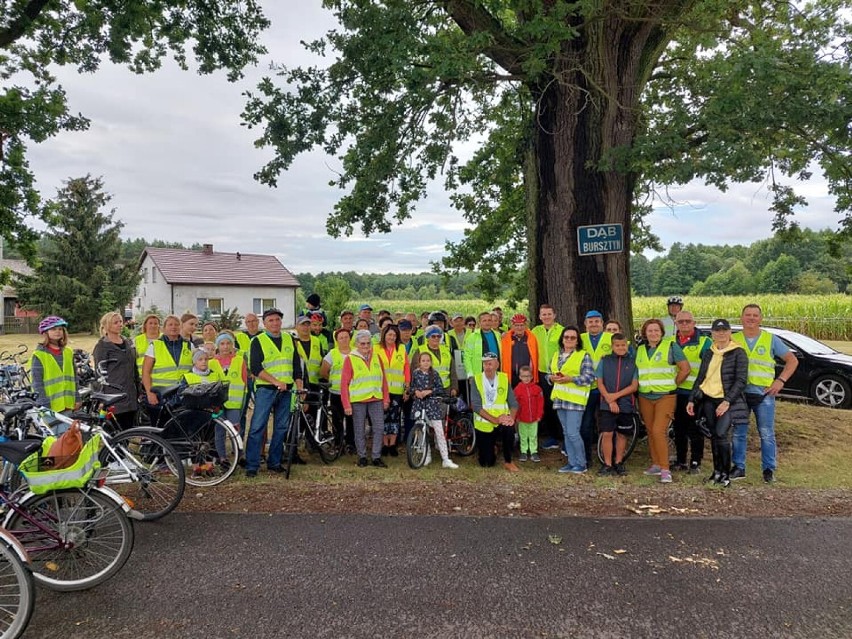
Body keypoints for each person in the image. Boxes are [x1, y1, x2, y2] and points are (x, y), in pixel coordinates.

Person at [730, 304, 798, 483]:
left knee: (766, 433)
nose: (751, 318)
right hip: (740, 394)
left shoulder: (770, 339)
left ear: (760, 319)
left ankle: (768, 470)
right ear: (741, 318)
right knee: (739, 432)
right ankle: (738, 467)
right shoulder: (733, 339)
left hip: (764, 393)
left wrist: (780, 381)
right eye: (747, 315)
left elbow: (792, 360)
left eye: (755, 315)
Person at [687, 319, 749, 487]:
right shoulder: (709, 352)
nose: (721, 334)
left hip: (727, 401)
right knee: (714, 436)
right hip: (708, 399)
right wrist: (692, 399)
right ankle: (717, 471)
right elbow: (701, 377)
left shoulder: (738, 352)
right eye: (717, 331)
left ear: (730, 332)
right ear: (713, 334)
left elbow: (741, 380)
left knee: (722, 434)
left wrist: (727, 401)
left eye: (724, 330)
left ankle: (726, 474)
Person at [244, 308, 305, 477]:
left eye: (277, 319)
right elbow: (256, 368)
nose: (275, 323)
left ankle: (275, 462)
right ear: (264, 323)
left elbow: (295, 365)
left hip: (287, 391)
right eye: (270, 320)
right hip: (266, 389)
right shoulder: (258, 341)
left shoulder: (289, 339)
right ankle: (252, 465)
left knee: (281, 427)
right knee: (257, 426)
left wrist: (299, 384)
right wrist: (276, 382)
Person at [635, 319, 690, 484]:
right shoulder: (640, 349)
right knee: (651, 431)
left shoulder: (671, 346)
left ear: (661, 332)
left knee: (659, 430)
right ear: (645, 333)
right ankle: (656, 463)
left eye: (656, 330)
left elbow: (685, 369)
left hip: (665, 396)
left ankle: (666, 469)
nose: (653, 333)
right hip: (645, 395)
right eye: (650, 331)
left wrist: (674, 384)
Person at [549, 326, 596, 474]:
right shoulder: (556, 355)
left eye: (572, 337)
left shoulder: (584, 355)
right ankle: (571, 462)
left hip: (575, 400)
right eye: (566, 337)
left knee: (573, 433)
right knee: (566, 432)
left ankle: (581, 463)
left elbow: (589, 377)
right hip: (560, 399)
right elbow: (549, 374)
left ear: (577, 341)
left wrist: (571, 379)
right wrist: (550, 378)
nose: (569, 340)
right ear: (562, 339)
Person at [341, 330, 390, 468]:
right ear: (357, 344)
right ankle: (362, 456)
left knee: (379, 428)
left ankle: (376, 457)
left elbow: (383, 380)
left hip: (376, 398)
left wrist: (386, 399)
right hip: (358, 400)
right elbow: (344, 384)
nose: (366, 346)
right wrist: (346, 405)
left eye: (368, 343)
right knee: (359, 430)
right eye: (362, 343)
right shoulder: (350, 359)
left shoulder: (377, 357)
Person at [672, 310, 711, 473]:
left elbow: (708, 369)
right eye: (681, 322)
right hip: (675, 391)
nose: (685, 324)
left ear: (694, 323)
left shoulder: (704, 342)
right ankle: (681, 460)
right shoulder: (670, 342)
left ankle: (696, 461)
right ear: (676, 324)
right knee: (678, 428)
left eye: (688, 321)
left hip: (695, 392)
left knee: (694, 428)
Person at [595, 333, 638, 476]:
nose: (621, 347)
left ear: (627, 345)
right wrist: (609, 399)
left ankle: (619, 462)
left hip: (626, 403)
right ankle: (607, 464)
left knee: (622, 434)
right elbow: (599, 382)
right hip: (606, 403)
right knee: (607, 433)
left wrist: (616, 396)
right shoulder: (605, 361)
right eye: (617, 345)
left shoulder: (633, 362)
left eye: (623, 345)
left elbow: (634, 386)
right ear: (612, 346)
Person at [469, 352, 519, 471]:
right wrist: (495, 419)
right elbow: (475, 406)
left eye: (490, 364)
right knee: (486, 463)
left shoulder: (503, 378)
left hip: (502, 421)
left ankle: (508, 461)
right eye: (485, 364)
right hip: (485, 424)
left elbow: (513, 403)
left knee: (509, 428)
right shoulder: (476, 380)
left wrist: (511, 418)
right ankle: (492, 448)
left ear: (497, 364)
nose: (487, 367)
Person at [141, 314, 194, 425]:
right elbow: (145, 372)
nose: (173, 327)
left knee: (181, 427)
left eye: (176, 325)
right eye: (170, 325)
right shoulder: (155, 345)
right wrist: (150, 393)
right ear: (164, 328)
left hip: (183, 393)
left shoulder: (189, 345)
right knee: (160, 427)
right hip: (162, 394)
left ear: (180, 327)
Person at [409, 351, 459, 469]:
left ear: (431, 362)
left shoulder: (434, 374)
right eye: (423, 361)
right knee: (421, 431)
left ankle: (445, 458)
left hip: (432, 405)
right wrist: (415, 392)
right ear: (419, 363)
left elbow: (440, 389)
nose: (426, 363)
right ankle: (426, 456)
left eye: (428, 361)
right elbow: (411, 387)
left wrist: (430, 391)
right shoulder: (416, 374)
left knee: (439, 431)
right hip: (419, 405)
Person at [93, 311, 138, 430]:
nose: (120, 324)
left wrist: (138, 389)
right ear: (107, 325)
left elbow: (134, 368)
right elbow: (99, 373)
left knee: (129, 430)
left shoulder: (128, 343)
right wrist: (101, 397)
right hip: (113, 395)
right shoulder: (102, 346)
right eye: (115, 322)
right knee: (115, 431)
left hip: (130, 394)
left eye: (121, 322)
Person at [579, 310, 613, 464]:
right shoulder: (579, 339)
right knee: (586, 424)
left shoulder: (611, 338)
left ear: (602, 323)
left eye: (596, 321)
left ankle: (608, 457)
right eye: (590, 321)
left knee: (607, 424)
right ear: (585, 324)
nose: (593, 324)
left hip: (606, 388)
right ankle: (587, 456)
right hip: (586, 389)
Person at [30, 315, 80, 415]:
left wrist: (77, 398)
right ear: (45, 333)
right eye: (53, 329)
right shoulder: (39, 355)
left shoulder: (68, 352)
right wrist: (43, 403)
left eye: (60, 329)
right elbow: (37, 383)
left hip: (68, 404)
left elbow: (74, 378)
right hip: (49, 406)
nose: (58, 331)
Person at [531, 304, 564, 452]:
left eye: (549, 314)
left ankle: (564, 437)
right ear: (539, 316)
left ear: (554, 315)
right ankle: (552, 437)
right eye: (543, 314)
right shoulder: (535, 331)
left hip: (558, 373)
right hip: (542, 373)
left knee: (560, 405)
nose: (546, 317)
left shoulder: (561, 330)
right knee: (547, 406)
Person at [319, 327, 356, 453]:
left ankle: (351, 444)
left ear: (350, 338)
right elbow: (323, 371)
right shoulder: (332, 354)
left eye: (346, 337)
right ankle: (338, 443)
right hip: (336, 392)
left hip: (353, 393)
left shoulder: (356, 353)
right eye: (341, 338)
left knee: (352, 420)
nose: (344, 339)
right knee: (337, 420)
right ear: (337, 340)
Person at [377, 323, 409, 456]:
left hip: (397, 389)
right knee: (383, 417)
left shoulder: (401, 348)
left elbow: (406, 368)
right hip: (381, 389)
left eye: (394, 335)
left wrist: (407, 387)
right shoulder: (376, 348)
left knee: (395, 417)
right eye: (389, 334)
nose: (392, 337)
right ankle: (385, 444)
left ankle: (393, 444)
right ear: (384, 335)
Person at [412, 325, 458, 396]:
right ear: (427, 337)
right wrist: (416, 390)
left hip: (445, 389)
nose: (436, 338)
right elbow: (414, 371)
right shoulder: (420, 350)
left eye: (438, 336)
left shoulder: (446, 350)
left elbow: (453, 371)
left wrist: (454, 387)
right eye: (433, 336)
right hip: (426, 390)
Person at [214, 332, 247, 429]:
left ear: (232, 345)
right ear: (218, 346)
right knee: (219, 429)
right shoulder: (211, 362)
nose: (225, 346)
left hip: (234, 403)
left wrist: (243, 400)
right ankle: (219, 445)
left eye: (228, 343)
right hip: (218, 404)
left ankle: (237, 444)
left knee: (235, 429)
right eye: (222, 344)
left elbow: (244, 382)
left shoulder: (239, 360)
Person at [514, 365, 544, 462]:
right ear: (520, 377)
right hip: (522, 418)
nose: (526, 378)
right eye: (524, 376)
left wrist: (539, 415)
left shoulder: (537, 389)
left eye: (528, 376)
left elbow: (540, 403)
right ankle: (523, 451)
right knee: (523, 435)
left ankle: (533, 452)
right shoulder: (517, 390)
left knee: (533, 435)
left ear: (531, 377)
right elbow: (515, 404)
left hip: (534, 418)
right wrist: (517, 416)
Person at [501, 313, 540, 387]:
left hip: (526, 376)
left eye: (522, 325)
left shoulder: (531, 338)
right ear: (512, 326)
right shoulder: (506, 339)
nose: (519, 328)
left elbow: (535, 356)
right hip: (511, 375)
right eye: (516, 325)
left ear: (526, 326)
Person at [463, 311, 502, 379]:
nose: (487, 323)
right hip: (479, 374)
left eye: (489, 320)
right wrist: (470, 373)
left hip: (496, 373)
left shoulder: (498, 335)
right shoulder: (472, 337)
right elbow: (467, 357)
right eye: (484, 320)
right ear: (479, 323)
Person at [294, 315, 323, 390]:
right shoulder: (293, 342)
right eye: (302, 325)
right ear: (296, 327)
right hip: (299, 383)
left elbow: (322, 360)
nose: (305, 328)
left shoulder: (317, 341)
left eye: (308, 325)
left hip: (315, 383)